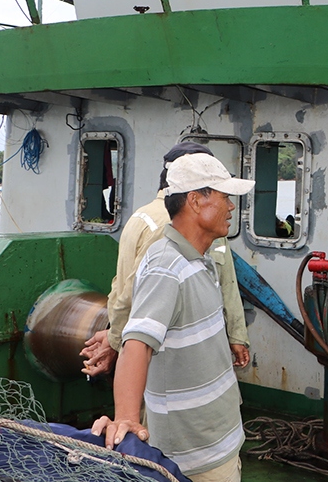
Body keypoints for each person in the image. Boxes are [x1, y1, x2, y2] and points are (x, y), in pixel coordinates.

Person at [92, 153, 256, 482]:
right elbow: (136, 343)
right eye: (225, 197)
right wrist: (126, 419)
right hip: (194, 460)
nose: (232, 206)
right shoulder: (167, 268)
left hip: (218, 442)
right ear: (196, 201)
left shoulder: (202, 259)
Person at [80, 142, 250, 377]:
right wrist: (116, 340)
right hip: (170, 355)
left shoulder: (143, 215)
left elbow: (224, 280)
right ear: (195, 194)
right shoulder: (174, 225)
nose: (230, 205)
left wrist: (236, 333)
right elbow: (132, 292)